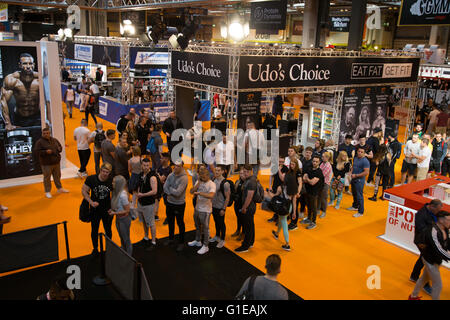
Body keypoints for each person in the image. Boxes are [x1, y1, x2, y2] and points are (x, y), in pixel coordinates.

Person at [409, 210, 450, 300]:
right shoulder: (432, 231)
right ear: (441, 220)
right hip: (429, 260)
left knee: (424, 278)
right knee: (438, 285)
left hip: (436, 260)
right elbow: (438, 249)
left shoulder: (445, 229)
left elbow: (447, 243)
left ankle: (413, 296)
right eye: (448, 220)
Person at [1, 53, 40, 130]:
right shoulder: (12, 80)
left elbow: (48, 100)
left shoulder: (39, 79)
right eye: (25, 64)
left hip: (37, 117)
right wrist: (8, 123)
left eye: (30, 63)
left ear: (34, 64)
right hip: (19, 118)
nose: (28, 66)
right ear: (20, 65)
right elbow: (3, 100)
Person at [82, 162, 113, 256]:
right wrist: (91, 202)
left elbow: (116, 195)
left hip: (107, 210)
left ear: (109, 172)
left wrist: (113, 208)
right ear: (100, 170)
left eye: (107, 172)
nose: (104, 174)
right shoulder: (91, 179)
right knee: (94, 229)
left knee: (108, 229)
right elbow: (84, 191)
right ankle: (95, 248)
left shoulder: (111, 180)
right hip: (95, 210)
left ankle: (109, 247)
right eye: (103, 171)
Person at [188, 166, 216, 255]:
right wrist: (198, 184)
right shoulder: (199, 181)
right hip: (197, 208)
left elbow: (211, 195)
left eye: (203, 177)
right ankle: (198, 240)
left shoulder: (212, 184)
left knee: (205, 228)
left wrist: (200, 193)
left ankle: (206, 245)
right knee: (197, 225)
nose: (202, 178)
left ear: (208, 175)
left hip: (206, 210)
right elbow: (191, 191)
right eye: (201, 176)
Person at [34, 128, 69, 198]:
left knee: (57, 176)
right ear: (42, 134)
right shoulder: (39, 142)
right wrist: (45, 152)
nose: (46, 134)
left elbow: (60, 147)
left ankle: (59, 188)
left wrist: (59, 149)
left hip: (56, 162)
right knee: (47, 178)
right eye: (44, 133)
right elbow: (36, 152)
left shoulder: (54, 140)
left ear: (50, 133)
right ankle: (47, 191)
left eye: (47, 133)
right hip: (46, 163)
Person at [163, 160, 188, 252]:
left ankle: (181, 242)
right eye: (175, 166)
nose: (175, 167)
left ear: (182, 167)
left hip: (179, 204)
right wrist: (171, 190)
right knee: (170, 221)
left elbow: (178, 193)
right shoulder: (170, 175)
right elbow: (164, 187)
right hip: (170, 203)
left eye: (178, 166)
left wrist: (170, 190)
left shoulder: (184, 178)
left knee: (180, 223)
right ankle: (171, 238)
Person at [136, 158, 158, 251]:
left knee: (151, 223)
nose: (146, 167)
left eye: (147, 165)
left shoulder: (152, 177)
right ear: (141, 165)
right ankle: (146, 237)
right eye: (144, 165)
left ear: (150, 165)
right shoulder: (141, 174)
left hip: (148, 204)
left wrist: (143, 195)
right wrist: (137, 196)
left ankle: (153, 242)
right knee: (144, 221)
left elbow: (154, 191)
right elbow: (139, 186)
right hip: (141, 203)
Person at [235, 164, 258, 252]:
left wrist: (244, 207)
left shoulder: (251, 181)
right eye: (244, 171)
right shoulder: (249, 180)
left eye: (247, 172)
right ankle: (250, 242)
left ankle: (245, 246)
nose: (245, 173)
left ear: (251, 171)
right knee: (250, 225)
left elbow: (249, 197)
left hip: (249, 207)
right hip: (250, 206)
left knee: (248, 226)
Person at [108, 175, 132, 256]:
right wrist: (113, 210)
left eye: (114, 182)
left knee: (126, 239)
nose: (112, 183)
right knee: (121, 237)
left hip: (124, 219)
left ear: (118, 183)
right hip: (118, 219)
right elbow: (118, 207)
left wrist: (114, 213)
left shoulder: (122, 195)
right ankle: (123, 250)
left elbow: (127, 210)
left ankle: (129, 256)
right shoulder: (116, 192)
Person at [210, 165, 231, 249]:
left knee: (221, 223)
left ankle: (222, 239)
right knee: (216, 221)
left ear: (223, 171)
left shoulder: (225, 183)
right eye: (216, 170)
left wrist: (224, 209)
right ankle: (217, 235)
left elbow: (227, 197)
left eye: (219, 170)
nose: (217, 172)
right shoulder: (214, 180)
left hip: (220, 206)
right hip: (213, 205)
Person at [301, 155, 324, 229]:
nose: (314, 163)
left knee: (314, 208)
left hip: (315, 192)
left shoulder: (319, 172)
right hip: (307, 190)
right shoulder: (309, 168)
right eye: (313, 161)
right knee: (309, 206)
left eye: (316, 162)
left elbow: (312, 183)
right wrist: (308, 179)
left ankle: (313, 222)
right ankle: (308, 218)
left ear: (319, 162)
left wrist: (307, 179)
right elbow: (304, 178)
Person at [347, 147, 370, 218]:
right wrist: (350, 173)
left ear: (364, 153)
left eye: (361, 152)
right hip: (353, 178)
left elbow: (366, 172)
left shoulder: (365, 161)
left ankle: (360, 211)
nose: (359, 153)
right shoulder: (356, 158)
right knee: (354, 193)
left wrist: (356, 175)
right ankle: (355, 206)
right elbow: (353, 167)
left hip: (359, 180)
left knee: (359, 196)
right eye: (358, 151)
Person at [155, 152, 172, 223]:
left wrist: (158, 175)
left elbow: (162, 178)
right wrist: (159, 176)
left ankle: (169, 217)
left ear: (166, 159)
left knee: (167, 203)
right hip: (159, 187)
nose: (160, 159)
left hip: (165, 189)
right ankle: (155, 215)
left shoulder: (168, 169)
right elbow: (158, 175)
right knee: (156, 200)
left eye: (162, 158)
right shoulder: (160, 166)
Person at [232, 167, 246, 239]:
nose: (241, 175)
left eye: (243, 173)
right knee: (238, 217)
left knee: (243, 219)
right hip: (237, 203)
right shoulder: (237, 181)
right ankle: (238, 230)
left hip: (243, 204)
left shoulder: (247, 183)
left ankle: (243, 233)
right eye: (240, 173)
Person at [318, 151, 333, 219]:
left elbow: (322, 175)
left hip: (325, 183)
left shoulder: (328, 165)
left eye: (323, 157)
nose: (322, 158)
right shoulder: (322, 163)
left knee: (324, 198)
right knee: (319, 197)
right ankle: (318, 209)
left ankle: (324, 211)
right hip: (320, 183)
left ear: (327, 157)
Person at [128, 146, 142, 214]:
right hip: (140, 176)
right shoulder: (141, 159)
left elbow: (129, 170)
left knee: (134, 192)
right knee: (140, 191)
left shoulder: (130, 160)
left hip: (133, 176)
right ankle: (139, 207)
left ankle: (133, 206)